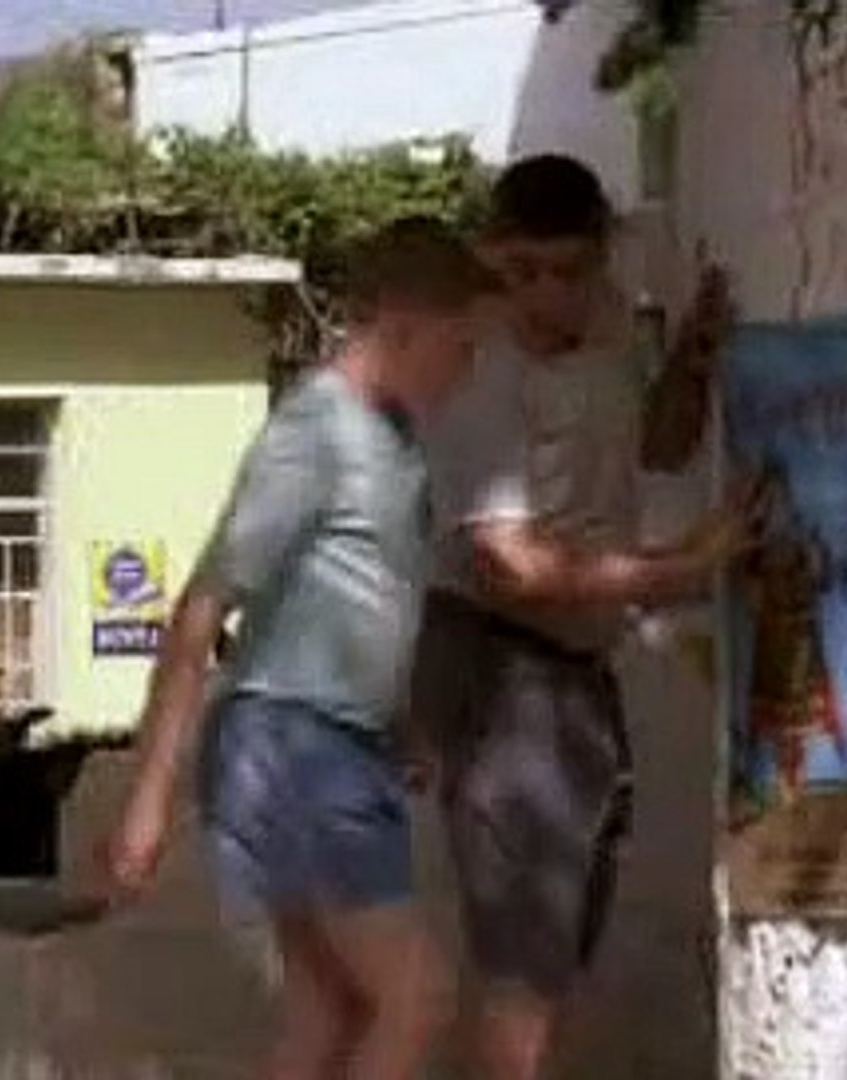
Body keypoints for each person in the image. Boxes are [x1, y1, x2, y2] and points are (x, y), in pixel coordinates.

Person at [103, 216, 500, 1080]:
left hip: (344, 744)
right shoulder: (312, 433)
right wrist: (148, 795)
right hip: (291, 743)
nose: (466, 372)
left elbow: (356, 601)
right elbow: (202, 607)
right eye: (460, 347)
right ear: (402, 326)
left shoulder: (393, 440)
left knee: (329, 1015)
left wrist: (399, 722)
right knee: (415, 998)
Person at [408, 152, 741, 1080]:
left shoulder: (611, 331)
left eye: (569, 271)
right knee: (523, 963)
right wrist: (678, 571)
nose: (546, 297)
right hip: (495, 658)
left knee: (552, 948)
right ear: (490, 260)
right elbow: (507, 566)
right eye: (523, 273)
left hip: (572, 669)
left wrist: (695, 357)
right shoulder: (478, 370)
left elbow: (660, 447)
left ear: (603, 256)